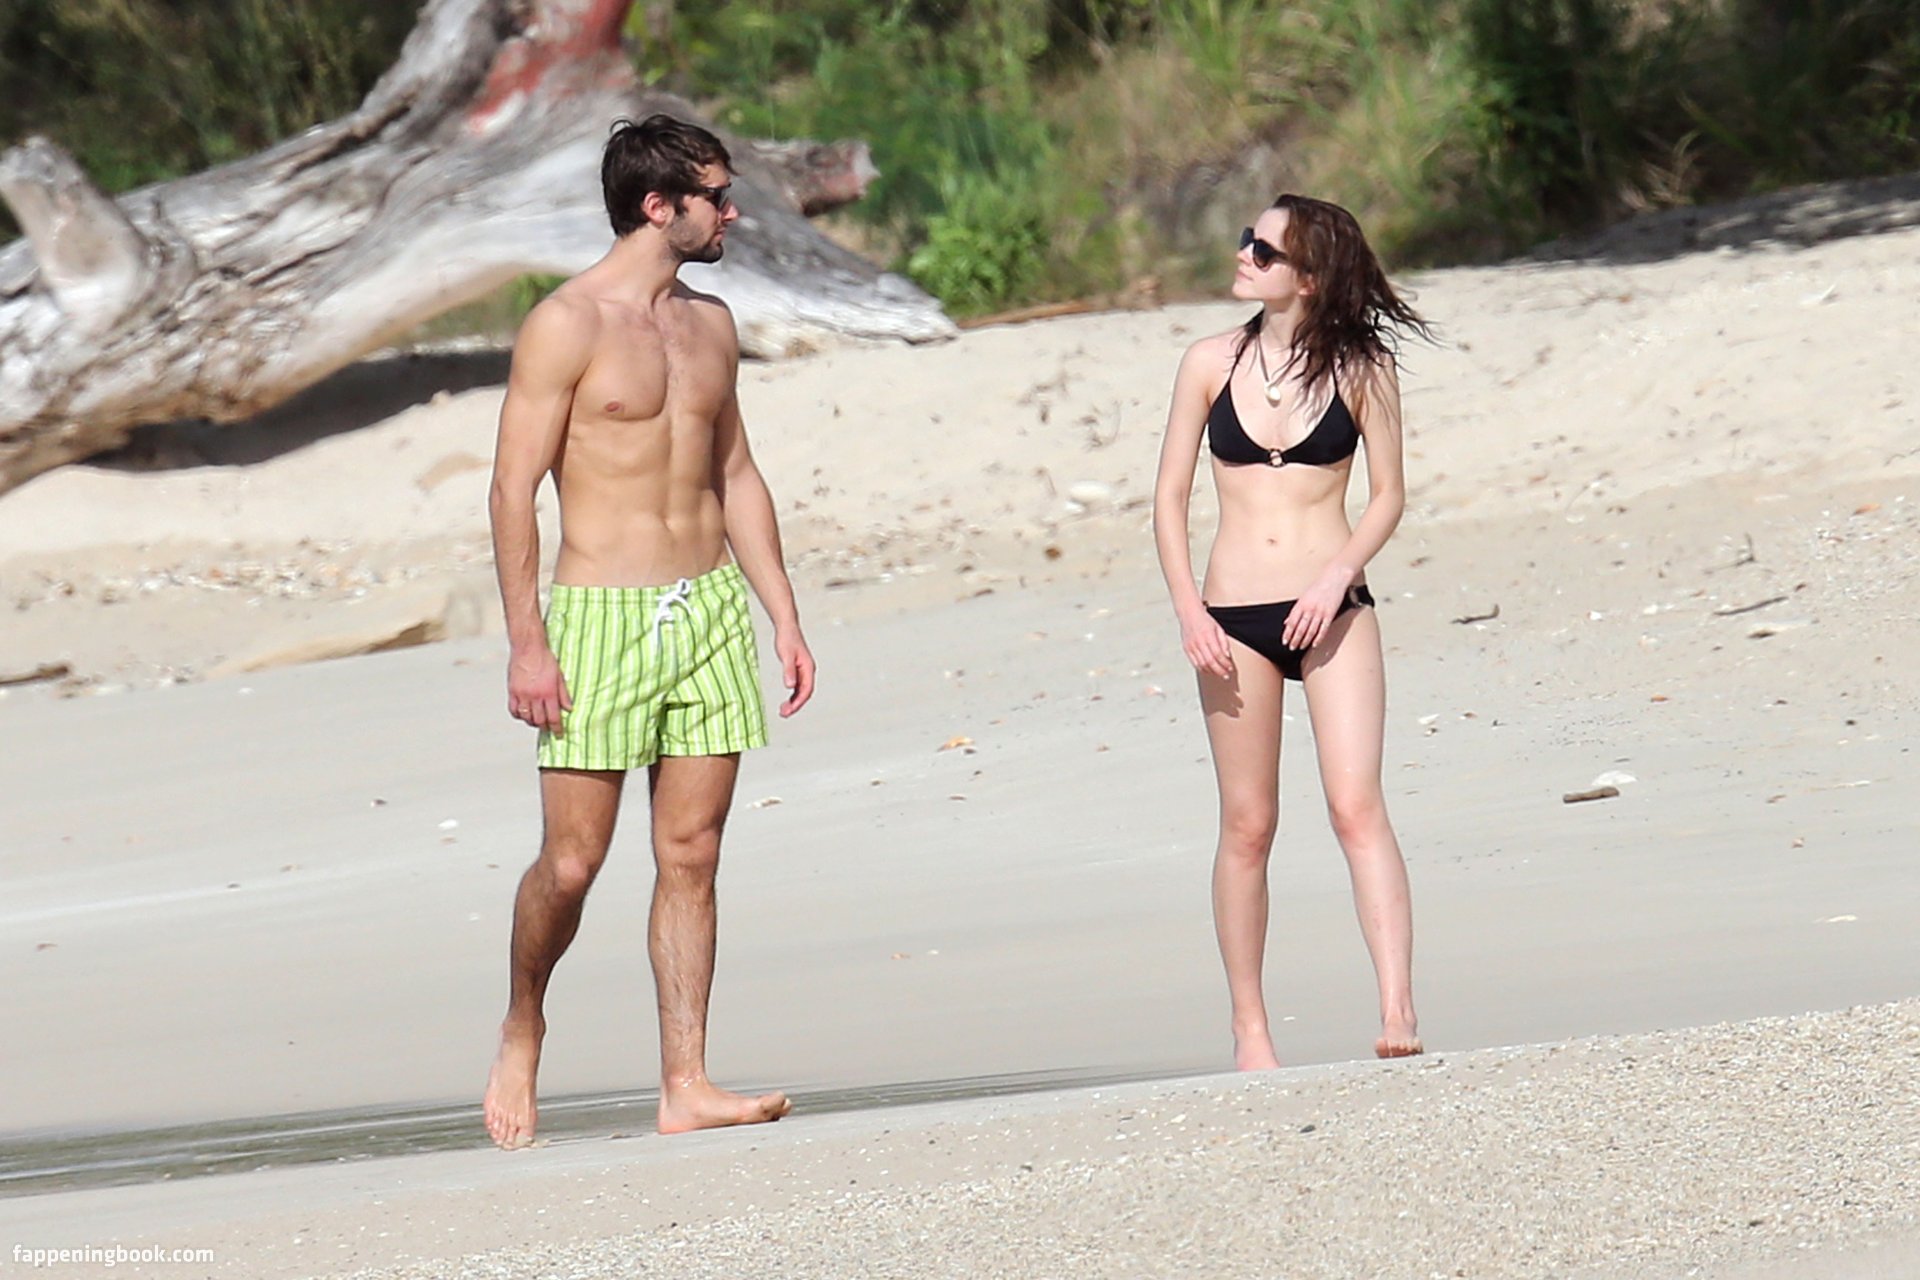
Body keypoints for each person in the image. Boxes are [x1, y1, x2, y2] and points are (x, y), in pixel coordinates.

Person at [482, 115, 815, 1149]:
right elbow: (511, 487)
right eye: (717, 195)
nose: (733, 212)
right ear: (658, 206)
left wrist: (782, 612)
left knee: (692, 851)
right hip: (598, 618)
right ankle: (525, 1020)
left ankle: (686, 1080)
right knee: (572, 863)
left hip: (706, 609)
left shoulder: (711, 324)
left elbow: (735, 473)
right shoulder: (565, 324)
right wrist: (528, 642)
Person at [1152, 194, 1430, 1069]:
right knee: (1248, 825)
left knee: (1356, 806)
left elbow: (1388, 494)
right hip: (1231, 618)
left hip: (1332, 610)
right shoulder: (1208, 362)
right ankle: (1251, 1030)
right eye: (1249, 241)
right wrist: (1189, 610)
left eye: (1264, 251)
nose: (1245, 255)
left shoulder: (1363, 366)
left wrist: (1337, 574)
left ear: (1308, 278)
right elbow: (1168, 497)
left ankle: (1397, 1008)